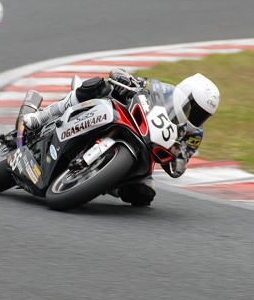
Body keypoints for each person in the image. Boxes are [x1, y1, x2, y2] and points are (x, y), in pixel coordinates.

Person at [22, 68, 220, 206]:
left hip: (144, 150)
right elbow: (120, 74)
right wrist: (124, 79)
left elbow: (178, 169)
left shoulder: (194, 134)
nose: (197, 117)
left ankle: (99, 182)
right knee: (97, 86)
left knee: (144, 194)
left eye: (203, 115)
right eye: (195, 109)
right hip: (118, 115)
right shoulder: (161, 90)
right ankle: (42, 117)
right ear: (184, 93)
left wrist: (177, 154)